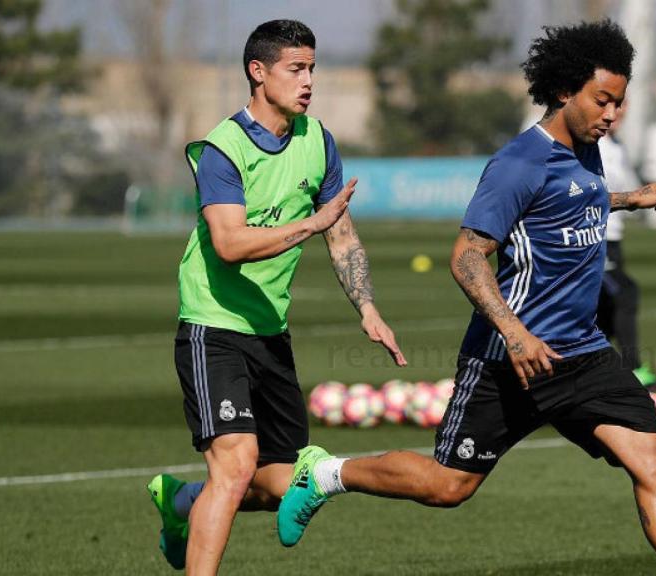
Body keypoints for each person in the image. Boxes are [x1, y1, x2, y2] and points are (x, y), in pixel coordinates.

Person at [276, 20, 656, 576]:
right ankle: (326, 474)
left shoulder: (587, 148)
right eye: (603, 101)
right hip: (511, 359)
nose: (612, 115)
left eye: (619, 104)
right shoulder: (518, 163)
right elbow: (467, 257)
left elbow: (569, 202)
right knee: (448, 486)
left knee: (655, 460)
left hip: (582, 351)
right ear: (564, 91)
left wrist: (627, 199)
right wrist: (516, 334)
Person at [145, 19, 406, 575]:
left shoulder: (318, 140)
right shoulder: (222, 148)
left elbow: (342, 232)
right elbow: (231, 243)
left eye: (312, 68)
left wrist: (368, 308)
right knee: (235, 467)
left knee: (280, 483)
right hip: (213, 327)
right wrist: (311, 223)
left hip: (270, 332)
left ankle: (183, 504)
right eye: (296, 69)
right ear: (257, 73)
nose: (308, 80)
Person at [597, 114, 656, 390]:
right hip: (596, 239)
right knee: (625, 294)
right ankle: (633, 368)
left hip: (613, 238)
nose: (617, 111)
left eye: (622, 104)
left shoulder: (617, 145)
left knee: (603, 311)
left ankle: (589, 373)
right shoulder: (594, 145)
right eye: (609, 102)